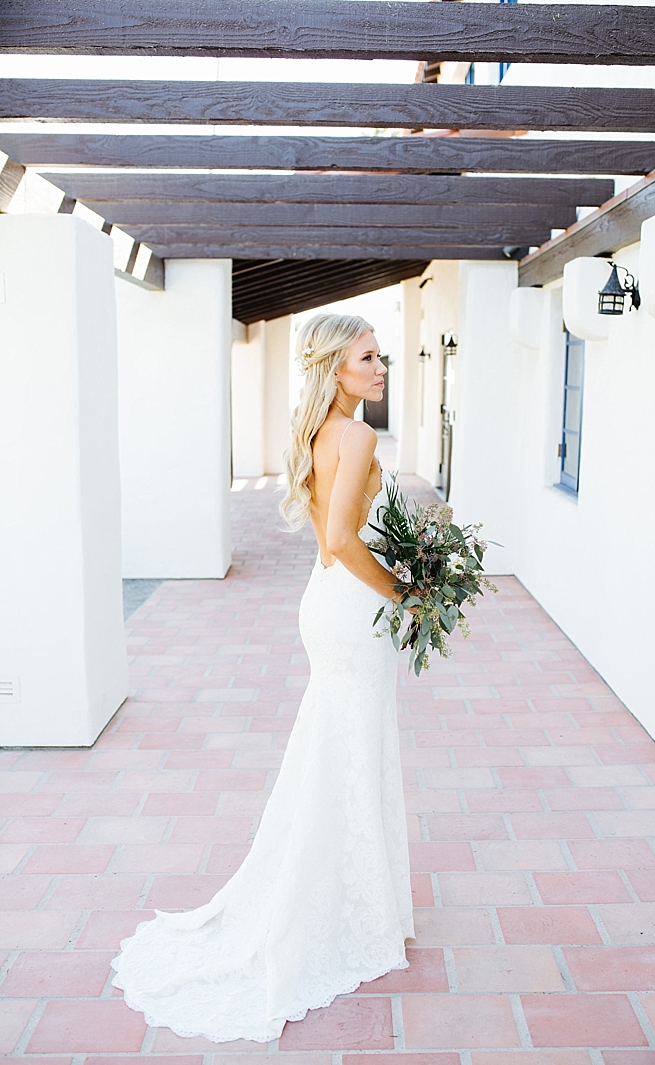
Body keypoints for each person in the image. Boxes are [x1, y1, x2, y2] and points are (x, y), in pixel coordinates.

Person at [111, 312, 413, 1043]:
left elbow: (331, 537)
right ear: (335, 368)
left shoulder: (317, 433)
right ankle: (347, 908)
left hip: (325, 602)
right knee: (351, 747)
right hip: (351, 604)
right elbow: (342, 540)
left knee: (334, 746)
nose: (381, 368)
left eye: (381, 356)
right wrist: (406, 590)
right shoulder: (360, 434)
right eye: (368, 358)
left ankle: (350, 894)